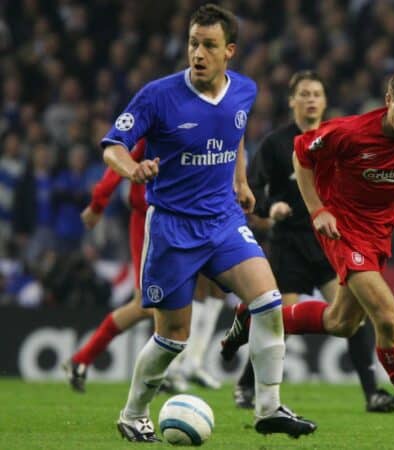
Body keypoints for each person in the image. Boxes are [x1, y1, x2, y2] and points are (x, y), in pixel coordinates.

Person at [101, 4, 316, 442]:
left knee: (270, 302)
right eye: (193, 43)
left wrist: (240, 179)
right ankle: (133, 412)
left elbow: (233, 136)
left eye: (209, 45)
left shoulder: (245, 90)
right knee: (173, 338)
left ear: (229, 51)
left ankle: (269, 407)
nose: (197, 53)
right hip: (172, 228)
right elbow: (112, 146)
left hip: (222, 220)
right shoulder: (157, 95)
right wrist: (132, 169)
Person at [222, 68, 394, 439]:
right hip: (343, 227)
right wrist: (317, 210)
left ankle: (254, 316)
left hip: (381, 230)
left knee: (341, 323)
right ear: (389, 100)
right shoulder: (350, 131)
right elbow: (302, 157)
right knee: (388, 319)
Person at [230, 70, 394, 413]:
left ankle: (373, 394)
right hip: (288, 244)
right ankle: (247, 384)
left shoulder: (337, 138)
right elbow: (252, 189)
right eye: (304, 94)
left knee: (352, 315)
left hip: (330, 243)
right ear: (292, 101)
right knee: (280, 323)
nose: (310, 100)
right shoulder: (277, 144)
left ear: (324, 101)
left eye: (316, 94)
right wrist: (269, 207)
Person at [62, 139, 222, 393]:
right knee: (146, 305)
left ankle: (182, 365)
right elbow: (117, 160)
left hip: (189, 218)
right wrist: (98, 203)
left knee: (201, 291)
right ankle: (84, 359)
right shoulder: (153, 123)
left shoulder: (192, 119)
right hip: (150, 220)